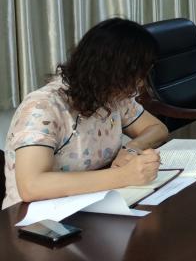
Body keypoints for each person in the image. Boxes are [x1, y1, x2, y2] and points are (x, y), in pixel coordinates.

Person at [3, 18, 169, 209]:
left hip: (91, 203)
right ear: (111, 71)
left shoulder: (113, 97)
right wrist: (123, 176)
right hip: (33, 216)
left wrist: (131, 148)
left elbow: (157, 129)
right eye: (136, 75)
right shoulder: (42, 107)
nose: (140, 84)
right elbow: (32, 186)